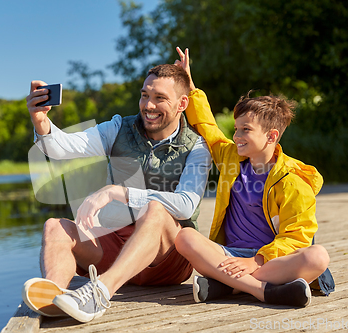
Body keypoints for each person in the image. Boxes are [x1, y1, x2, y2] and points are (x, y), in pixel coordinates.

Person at [22, 64, 212, 323]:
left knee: (156, 211)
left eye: (160, 98)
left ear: (182, 104)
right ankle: (52, 298)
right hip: (115, 248)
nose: (148, 105)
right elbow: (61, 148)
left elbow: (186, 205)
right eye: (145, 95)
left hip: (165, 261)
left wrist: (121, 192)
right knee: (55, 226)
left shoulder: (197, 147)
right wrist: (41, 121)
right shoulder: (118, 128)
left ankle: (99, 293)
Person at [173, 47, 332, 307]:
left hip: (272, 260)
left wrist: (256, 261)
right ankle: (261, 290)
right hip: (229, 254)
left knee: (317, 257)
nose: (236, 137)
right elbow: (208, 128)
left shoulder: (292, 180)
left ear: (272, 136)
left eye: (245, 130)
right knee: (184, 237)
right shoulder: (231, 157)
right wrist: (190, 87)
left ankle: (229, 286)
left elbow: (297, 236)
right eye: (236, 129)